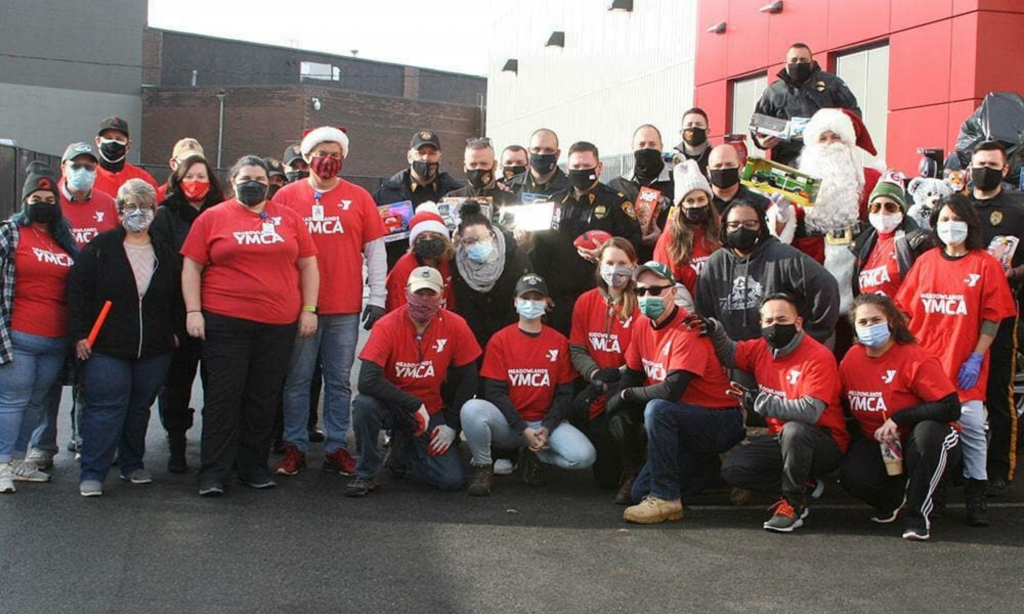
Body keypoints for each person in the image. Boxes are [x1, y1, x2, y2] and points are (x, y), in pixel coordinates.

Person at [180, 155, 319, 497]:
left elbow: (308, 266)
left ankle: (253, 467)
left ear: (270, 184)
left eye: (260, 179)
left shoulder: (289, 218)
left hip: (277, 325)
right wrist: (193, 311)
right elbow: (191, 267)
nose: (253, 184)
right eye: (245, 179)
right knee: (223, 398)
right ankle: (214, 472)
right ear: (232, 183)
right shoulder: (212, 217)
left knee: (263, 398)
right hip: (225, 323)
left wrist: (309, 309)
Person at [271, 127, 388, 477]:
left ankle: (336, 445)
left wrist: (378, 297)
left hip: (344, 307)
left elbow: (375, 250)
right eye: (322, 153)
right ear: (307, 156)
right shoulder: (286, 196)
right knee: (297, 380)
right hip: (300, 307)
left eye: (335, 154)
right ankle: (294, 445)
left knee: (339, 381)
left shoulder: (360, 198)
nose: (328, 160)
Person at [895, 194, 1017, 526]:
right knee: (930, 431)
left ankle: (976, 492)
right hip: (926, 368)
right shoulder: (925, 262)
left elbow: (993, 318)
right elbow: (903, 310)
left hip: (964, 366)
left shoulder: (985, 265)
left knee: (973, 428)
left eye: (956, 219)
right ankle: (936, 490)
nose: (950, 226)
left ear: (970, 224)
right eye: (944, 220)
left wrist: (976, 357)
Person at [696, 294, 849, 532]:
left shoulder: (818, 356)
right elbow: (730, 353)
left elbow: (810, 412)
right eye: (768, 321)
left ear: (798, 322)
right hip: (780, 439)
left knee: (795, 430)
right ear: (761, 324)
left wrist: (760, 402)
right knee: (733, 470)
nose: (774, 325)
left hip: (823, 441)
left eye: (781, 319)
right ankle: (804, 486)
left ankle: (793, 504)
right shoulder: (761, 348)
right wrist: (715, 329)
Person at [68, 179, 182, 497]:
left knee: (138, 409)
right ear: (119, 211)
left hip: (155, 349)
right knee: (105, 407)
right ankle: (93, 472)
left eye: (145, 207)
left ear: (155, 211)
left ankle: (132, 464)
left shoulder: (166, 253)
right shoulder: (99, 249)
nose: (138, 213)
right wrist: (80, 335)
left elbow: (178, 297)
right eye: (131, 206)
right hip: (107, 347)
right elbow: (77, 293)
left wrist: (174, 334)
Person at [608, 262, 741, 524]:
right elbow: (632, 373)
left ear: (672, 292)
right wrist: (616, 401)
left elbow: (671, 390)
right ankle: (714, 473)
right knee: (639, 492)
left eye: (655, 290)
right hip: (682, 424)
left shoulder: (689, 328)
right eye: (641, 291)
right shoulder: (642, 324)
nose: (647, 297)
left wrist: (625, 396)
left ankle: (666, 499)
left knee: (657, 408)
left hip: (719, 419)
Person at [345, 266, 481, 497]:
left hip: (432, 409)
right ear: (407, 292)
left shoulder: (456, 325)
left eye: (430, 294)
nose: (424, 300)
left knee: (451, 480)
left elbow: (470, 378)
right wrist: (413, 404)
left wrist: (452, 424)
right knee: (364, 405)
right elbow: (367, 381)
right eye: (419, 293)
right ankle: (366, 473)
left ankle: (403, 453)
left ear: (442, 295)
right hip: (392, 405)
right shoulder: (387, 325)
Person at [26, 143, 119, 469]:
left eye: (89, 166)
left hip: (92, 306)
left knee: (88, 379)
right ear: (63, 168)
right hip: (53, 302)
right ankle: (42, 446)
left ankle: (84, 440)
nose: (83, 171)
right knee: (47, 381)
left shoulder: (108, 204)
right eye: (76, 165)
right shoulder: (49, 202)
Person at [839, 294, 961, 541]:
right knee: (853, 476)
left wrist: (899, 418)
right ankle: (893, 499)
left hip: (922, 440)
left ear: (892, 322)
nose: (869, 326)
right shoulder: (851, 358)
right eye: (863, 322)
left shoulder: (915, 358)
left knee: (927, 436)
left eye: (876, 320)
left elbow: (950, 407)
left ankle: (918, 516)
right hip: (879, 442)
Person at [462, 273, 594, 496]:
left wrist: (547, 427)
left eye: (537, 298)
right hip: (508, 424)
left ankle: (535, 454)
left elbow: (565, 393)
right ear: (515, 301)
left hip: (543, 424)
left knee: (584, 456)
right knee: (471, 409)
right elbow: (494, 392)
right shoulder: (500, 340)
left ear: (546, 302)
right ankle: (484, 466)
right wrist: (522, 429)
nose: (531, 303)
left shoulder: (559, 341)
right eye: (525, 298)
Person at [769, 108, 881, 340]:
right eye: (823, 138)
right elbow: (778, 236)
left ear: (848, 142)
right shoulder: (797, 180)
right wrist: (781, 213)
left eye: (836, 137)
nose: (829, 144)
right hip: (813, 271)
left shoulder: (871, 178)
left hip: (858, 271)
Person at [0, 165, 77, 493]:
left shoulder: (63, 239)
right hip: (18, 335)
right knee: (12, 400)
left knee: (36, 402)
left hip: (56, 339)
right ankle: (1, 463)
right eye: (35, 198)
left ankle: (18, 460)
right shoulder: (10, 233)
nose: (42, 203)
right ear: (24, 201)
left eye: (49, 198)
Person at [149, 154, 225, 473]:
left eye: (202, 176)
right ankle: (177, 444)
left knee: (218, 385)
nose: (196, 182)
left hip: (218, 311)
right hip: (178, 311)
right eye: (190, 176)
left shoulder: (223, 213)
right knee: (176, 384)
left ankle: (214, 447)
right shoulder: (165, 215)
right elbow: (161, 266)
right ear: (178, 181)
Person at [530, 141, 642, 334]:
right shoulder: (554, 202)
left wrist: (606, 254)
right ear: (567, 168)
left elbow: (634, 243)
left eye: (586, 166)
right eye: (576, 166)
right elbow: (539, 251)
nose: (581, 171)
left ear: (599, 167)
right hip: (559, 299)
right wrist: (542, 291)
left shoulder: (615, 201)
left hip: (602, 295)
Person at [696, 200, 840, 346]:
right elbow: (705, 314)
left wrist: (811, 338)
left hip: (779, 354)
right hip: (733, 354)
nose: (741, 229)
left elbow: (826, 286)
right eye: (734, 225)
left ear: (761, 226)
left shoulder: (782, 256)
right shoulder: (715, 264)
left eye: (749, 224)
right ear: (724, 228)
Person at [966, 140, 1024, 493]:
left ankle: (1000, 468)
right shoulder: (958, 207)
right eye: (979, 164)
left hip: (1001, 312)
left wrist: (1012, 273)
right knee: (959, 391)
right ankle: (960, 466)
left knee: (999, 390)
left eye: (991, 165)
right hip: (960, 313)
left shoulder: (1017, 210)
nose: (984, 170)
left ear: (1005, 170)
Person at [570, 237, 639, 501]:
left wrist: (618, 375)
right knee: (606, 480)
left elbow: (645, 352)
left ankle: (634, 467)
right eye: (609, 263)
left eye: (622, 263)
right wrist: (596, 375)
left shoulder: (640, 302)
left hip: (629, 384)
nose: (615, 269)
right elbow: (577, 349)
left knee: (620, 417)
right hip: (596, 384)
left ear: (633, 265)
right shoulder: (585, 301)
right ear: (599, 264)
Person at [752, 42, 861, 166]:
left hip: (828, 162)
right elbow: (757, 124)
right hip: (788, 165)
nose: (798, 63)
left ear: (811, 62)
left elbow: (854, 116)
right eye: (794, 60)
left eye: (803, 60)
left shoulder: (832, 84)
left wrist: (838, 135)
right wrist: (760, 142)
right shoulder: (773, 92)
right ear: (785, 63)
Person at [374, 131, 463, 267]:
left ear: (440, 156)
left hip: (445, 271)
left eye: (432, 153)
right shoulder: (386, 195)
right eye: (421, 153)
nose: (426, 158)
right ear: (409, 156)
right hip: (398, 269)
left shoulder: (455, 194)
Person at [451, 200, 533, 349]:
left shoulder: (515, 257)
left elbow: (523, 302)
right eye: (470, 241)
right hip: (474, 340)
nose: (477, 244)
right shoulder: (458, 264)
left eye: (482, 238)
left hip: (509, 339)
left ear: (492, 235)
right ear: (462, 243)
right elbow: (464, 307)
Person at [850, 175, 930, 298]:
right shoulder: (862, 243)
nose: (882, 212)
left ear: (901, 210)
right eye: (875, 207)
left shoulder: (917, 243)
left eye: (890, 207)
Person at [653, 160, 720, 301]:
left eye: (701, 199)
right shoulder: (669, 239)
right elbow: (662, 284)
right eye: (690, 201)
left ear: (709, 202)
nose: (696, 205)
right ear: (681, 205)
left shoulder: (722, 229)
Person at [608, 124, 675, 261]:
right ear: (633, 147)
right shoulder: (615, 186)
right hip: (628, 263)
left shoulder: (677, 182)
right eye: (641, 144)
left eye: (652, 144)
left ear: (661, 147)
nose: (646, 149)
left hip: (669, 260)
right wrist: (636, 239)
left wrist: (663, 238)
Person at [385, 204, 457, 313]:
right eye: (422, 238)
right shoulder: (404, 267)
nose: (428, 240)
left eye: (434, 237)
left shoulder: (448, 262)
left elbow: (452, 303)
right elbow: (399, 309)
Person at [444, 138, 517, 213]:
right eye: (473, 164)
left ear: (495, 165)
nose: (478, 168)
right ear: (465, 167)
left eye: (484, 164)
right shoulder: (450, 200)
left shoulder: (510, 201)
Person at [92, 116, 158, 198]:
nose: (113, 142)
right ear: (98, 141)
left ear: (128, 145)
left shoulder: (143, 179)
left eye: (119, 139)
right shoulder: (87, 177)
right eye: (108, 138)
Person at [707, 144, 769, 216]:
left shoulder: (761, 203)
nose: (723, 169)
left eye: (729, 165)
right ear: (708, 171)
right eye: (718, 166)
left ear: (740, 168)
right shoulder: (699, 201)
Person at [507, 129, 570, 197]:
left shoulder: (572, 189)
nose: (541, 154)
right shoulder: (510, 187)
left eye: (548, 150)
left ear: (557, 154)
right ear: (528, 153)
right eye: (536, 149)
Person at [155, 138, 205, 202]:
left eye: (198, 162)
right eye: (186, 162)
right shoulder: (159, 196)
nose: (192, 167)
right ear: (173, 164)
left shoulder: (213, 195)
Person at [672, 108, 713, 174]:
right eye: (689, 124)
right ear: (681, 132)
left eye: (698, 124)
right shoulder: (671, 160)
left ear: (707, 132)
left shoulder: (715, 158)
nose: (693, 127)